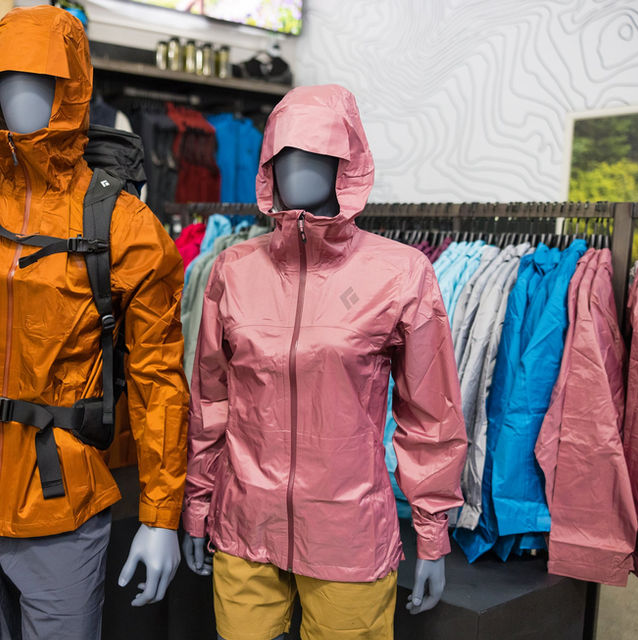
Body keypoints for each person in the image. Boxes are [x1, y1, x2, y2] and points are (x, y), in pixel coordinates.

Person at [0, 7, 188, 640]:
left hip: (62, 508)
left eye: (43, 81)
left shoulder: (125, 226)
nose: (21, 97)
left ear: (72, 91)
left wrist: (161, 517)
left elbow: (159, 382)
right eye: (5, 81)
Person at [183, 85, 467, 640]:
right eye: (282, 154)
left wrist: (432, 534)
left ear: (348, 164)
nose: (296, 168)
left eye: (315, 153)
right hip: (245, 526)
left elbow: (430, 418)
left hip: (348, 536)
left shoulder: (400, 273)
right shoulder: (232, 269)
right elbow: (209, 405)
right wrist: (199, 505)